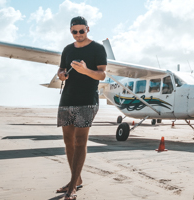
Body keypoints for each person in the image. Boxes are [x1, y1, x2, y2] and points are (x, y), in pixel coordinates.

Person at [54, 16, 108, 200]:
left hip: (87, 100)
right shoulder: (67, 49)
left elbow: (102, 75)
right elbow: (60, 70)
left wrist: (85, 71)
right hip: (67, 98)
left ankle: (72, 188)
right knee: (68, 141)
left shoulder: (97, 48)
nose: (78, 34)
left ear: (88, 29)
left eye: (81, 31)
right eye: (74, 31)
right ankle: (75, 180)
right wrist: (61, 75)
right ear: (70, 31)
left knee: (80, 142)